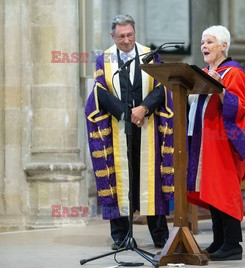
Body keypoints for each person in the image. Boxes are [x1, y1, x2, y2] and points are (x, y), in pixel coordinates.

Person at [85, 14, 174, 250]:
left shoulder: (150, 55)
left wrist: (143, 109)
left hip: (147, 128)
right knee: (119, 180)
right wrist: (125, 113)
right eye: (121, 36)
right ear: (113, 36)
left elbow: (161, 87)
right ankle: (121, 236)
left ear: (135, 33)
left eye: (130, 35)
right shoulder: (103, 59)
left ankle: (160, 235)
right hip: (118, 128)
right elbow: (100, 91)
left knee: (150, 181)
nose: (126, 40)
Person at [186, 25, 245, 261]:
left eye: (210, 42)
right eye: (203, 42)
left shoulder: (233, 73)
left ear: (223, 46)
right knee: (212, 189)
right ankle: (219, 240)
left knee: (224, 189)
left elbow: (241, 106)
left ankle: (233, 244)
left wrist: (220, 88)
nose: (204, 46)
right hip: (205, 142)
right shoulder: (205, 71)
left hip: (224, 142)